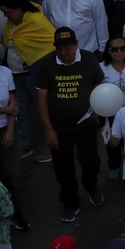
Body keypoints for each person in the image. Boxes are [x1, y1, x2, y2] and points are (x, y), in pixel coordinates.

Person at [36, 26, 105, 222]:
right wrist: (49, 130)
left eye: (67, 47)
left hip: (86, 125)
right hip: (59, 128)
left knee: (91, 161)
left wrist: (97, 106)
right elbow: (41, 101)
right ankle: (70, 202)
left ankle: (91, 186)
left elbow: (99, 85)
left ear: (76, 45)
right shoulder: (47, 65)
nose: (63, 52)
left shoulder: (89, 59)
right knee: (63, 168)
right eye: (59, 48)